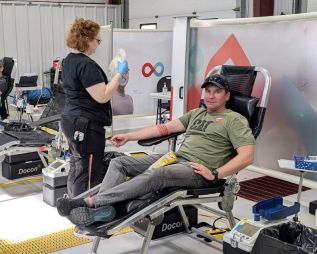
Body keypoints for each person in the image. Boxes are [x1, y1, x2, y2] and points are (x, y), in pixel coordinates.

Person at [57, 74, 255, 227]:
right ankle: (105, 209)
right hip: (176, 158)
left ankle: (91, 203)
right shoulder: (197, 113)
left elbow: (247, 156)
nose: (211, 96)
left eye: (217, 91)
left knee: (158, 174)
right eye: (208, 91)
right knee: (119, 162)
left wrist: (215, 173)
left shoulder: (234, 120)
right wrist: (129, 136)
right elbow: (163, 128)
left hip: (198, 169)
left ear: (227, 96)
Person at [61, 18, 128, 198]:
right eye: (97, 40)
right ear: (87, 38)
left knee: (77, 166)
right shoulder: (85, 64)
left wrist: (115, 79)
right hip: (86, 125)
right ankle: (85, 213)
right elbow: (103, 95)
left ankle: (73, 207)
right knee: (89, 171)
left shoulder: (68, 60)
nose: (98, 45)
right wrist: (119, 74)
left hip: (73, 121)